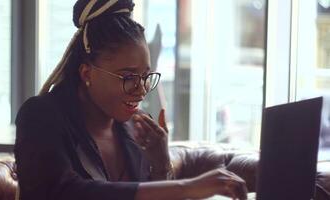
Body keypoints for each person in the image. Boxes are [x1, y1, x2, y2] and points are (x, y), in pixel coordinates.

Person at [14, 0, 248, 199]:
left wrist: (160, 164)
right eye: (127, 77)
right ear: (87, 73)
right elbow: (65, 192)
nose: (141, 90)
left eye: (146, 76)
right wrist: (186, 187)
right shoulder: (41, 115)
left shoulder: (133, 129)